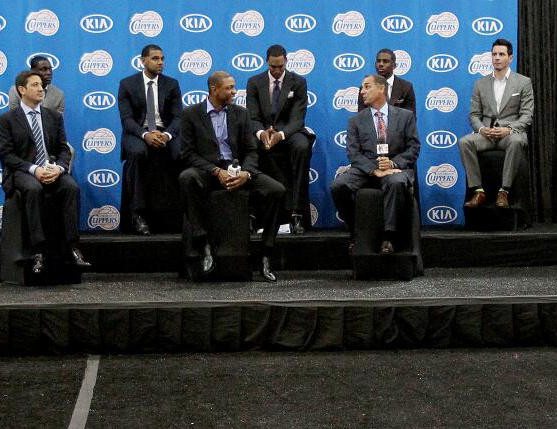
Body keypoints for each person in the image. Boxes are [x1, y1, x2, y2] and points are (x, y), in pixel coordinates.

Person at [179, 71, 285, 282]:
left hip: (238, 168)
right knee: (187, 178)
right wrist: (215, 171)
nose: (234, 92)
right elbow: (188, 154)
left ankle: (266, 253)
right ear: (214, 89)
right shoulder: (191, 114)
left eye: (234, 87)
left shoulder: (241, 113)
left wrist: (246, 173)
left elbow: (251, 150)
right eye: (229, 88)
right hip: (209, 170)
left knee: (277, 191)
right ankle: (204, 243)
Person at [0, 70, 88, 275]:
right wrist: (34, 169)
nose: (41, 89)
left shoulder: (53, 116)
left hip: (51, 169)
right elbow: (7, 155)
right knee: (33, 189)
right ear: (22, 90)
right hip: (23, 171)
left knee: (71, 187)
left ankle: (73, 247)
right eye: (35, 85)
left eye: (41, 85)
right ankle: (38, 250)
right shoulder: (7, 119)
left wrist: (59, 168)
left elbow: (63, 149)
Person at [329, 74, 420, 256]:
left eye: (367, 87)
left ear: (381, 89)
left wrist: (393, 163)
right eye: (362, 87)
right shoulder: (355, 121)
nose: (362, 91)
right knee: (338, 186)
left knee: (396, 182)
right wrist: (373, 170)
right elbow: (353, 153)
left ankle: (389, 237)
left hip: (395, 168)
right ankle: (355, 230)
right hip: (366, 168)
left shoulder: (405, 116)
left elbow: (414, 147)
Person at [457, 39, 534, 209]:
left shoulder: (523, 82)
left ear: (510, 58)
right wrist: (482, 129)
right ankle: (478, 191)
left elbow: (527, 115)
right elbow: (474, 115)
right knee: (464, 142)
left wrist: (509, 129)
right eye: (494, 54)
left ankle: (504, 192)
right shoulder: (480, 84)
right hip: (487, 134)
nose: (497, 58)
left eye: (501, 54)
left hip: (510, 134)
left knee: (516, 142)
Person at [245, 44, 314, 234]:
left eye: (280, 67)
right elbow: (252, 116)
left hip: (289, 132)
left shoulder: (298, 82)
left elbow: (297, 118)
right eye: (273, 67)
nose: (277, 71)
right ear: (267, 61)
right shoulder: (254, 82)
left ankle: (296, 213)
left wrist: (280, 135)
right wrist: (261, 133)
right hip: (263, 131)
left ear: (286, 62)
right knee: (249, 148)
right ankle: (252, 214)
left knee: (301, 146)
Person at [117, 45, 183, 235]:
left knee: (180, 152)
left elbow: (178, 117)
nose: (160, 62)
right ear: (143, 60)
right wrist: (145, 135)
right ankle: (137, 214)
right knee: (138, 153)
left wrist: (167, 135)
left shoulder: (172, 84)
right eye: (155, 58)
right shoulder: (127, 84)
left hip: (166, 132)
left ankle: (179, 215)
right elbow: (127, 120)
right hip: (138, 132)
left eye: (162, 58)